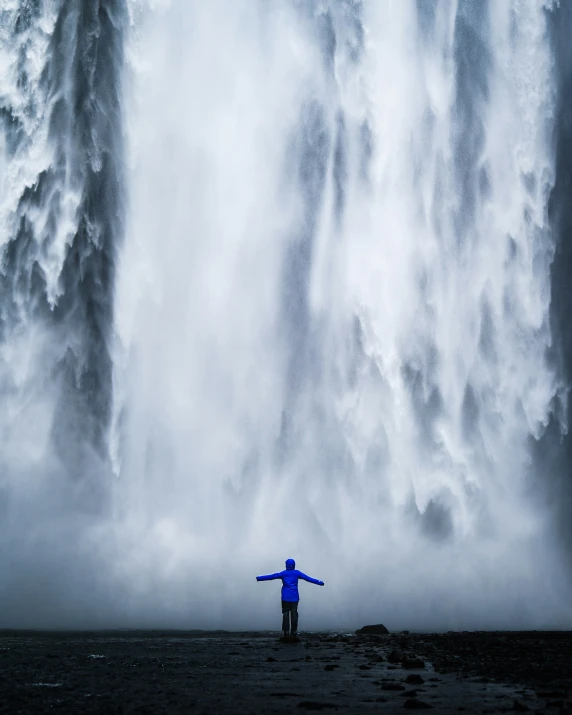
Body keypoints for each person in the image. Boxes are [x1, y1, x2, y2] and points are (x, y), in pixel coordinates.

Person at [256, 558, 324, 637]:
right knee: (294, 615)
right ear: (294, 565)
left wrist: (259, 578)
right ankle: (293, 632)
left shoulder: (283, 573)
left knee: (285, 614)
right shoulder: (297, 573)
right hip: (295, 597)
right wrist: (319, 582)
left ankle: (286, 632)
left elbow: (272, 576)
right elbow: (308, 578)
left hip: (285, 598)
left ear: (287, 565)